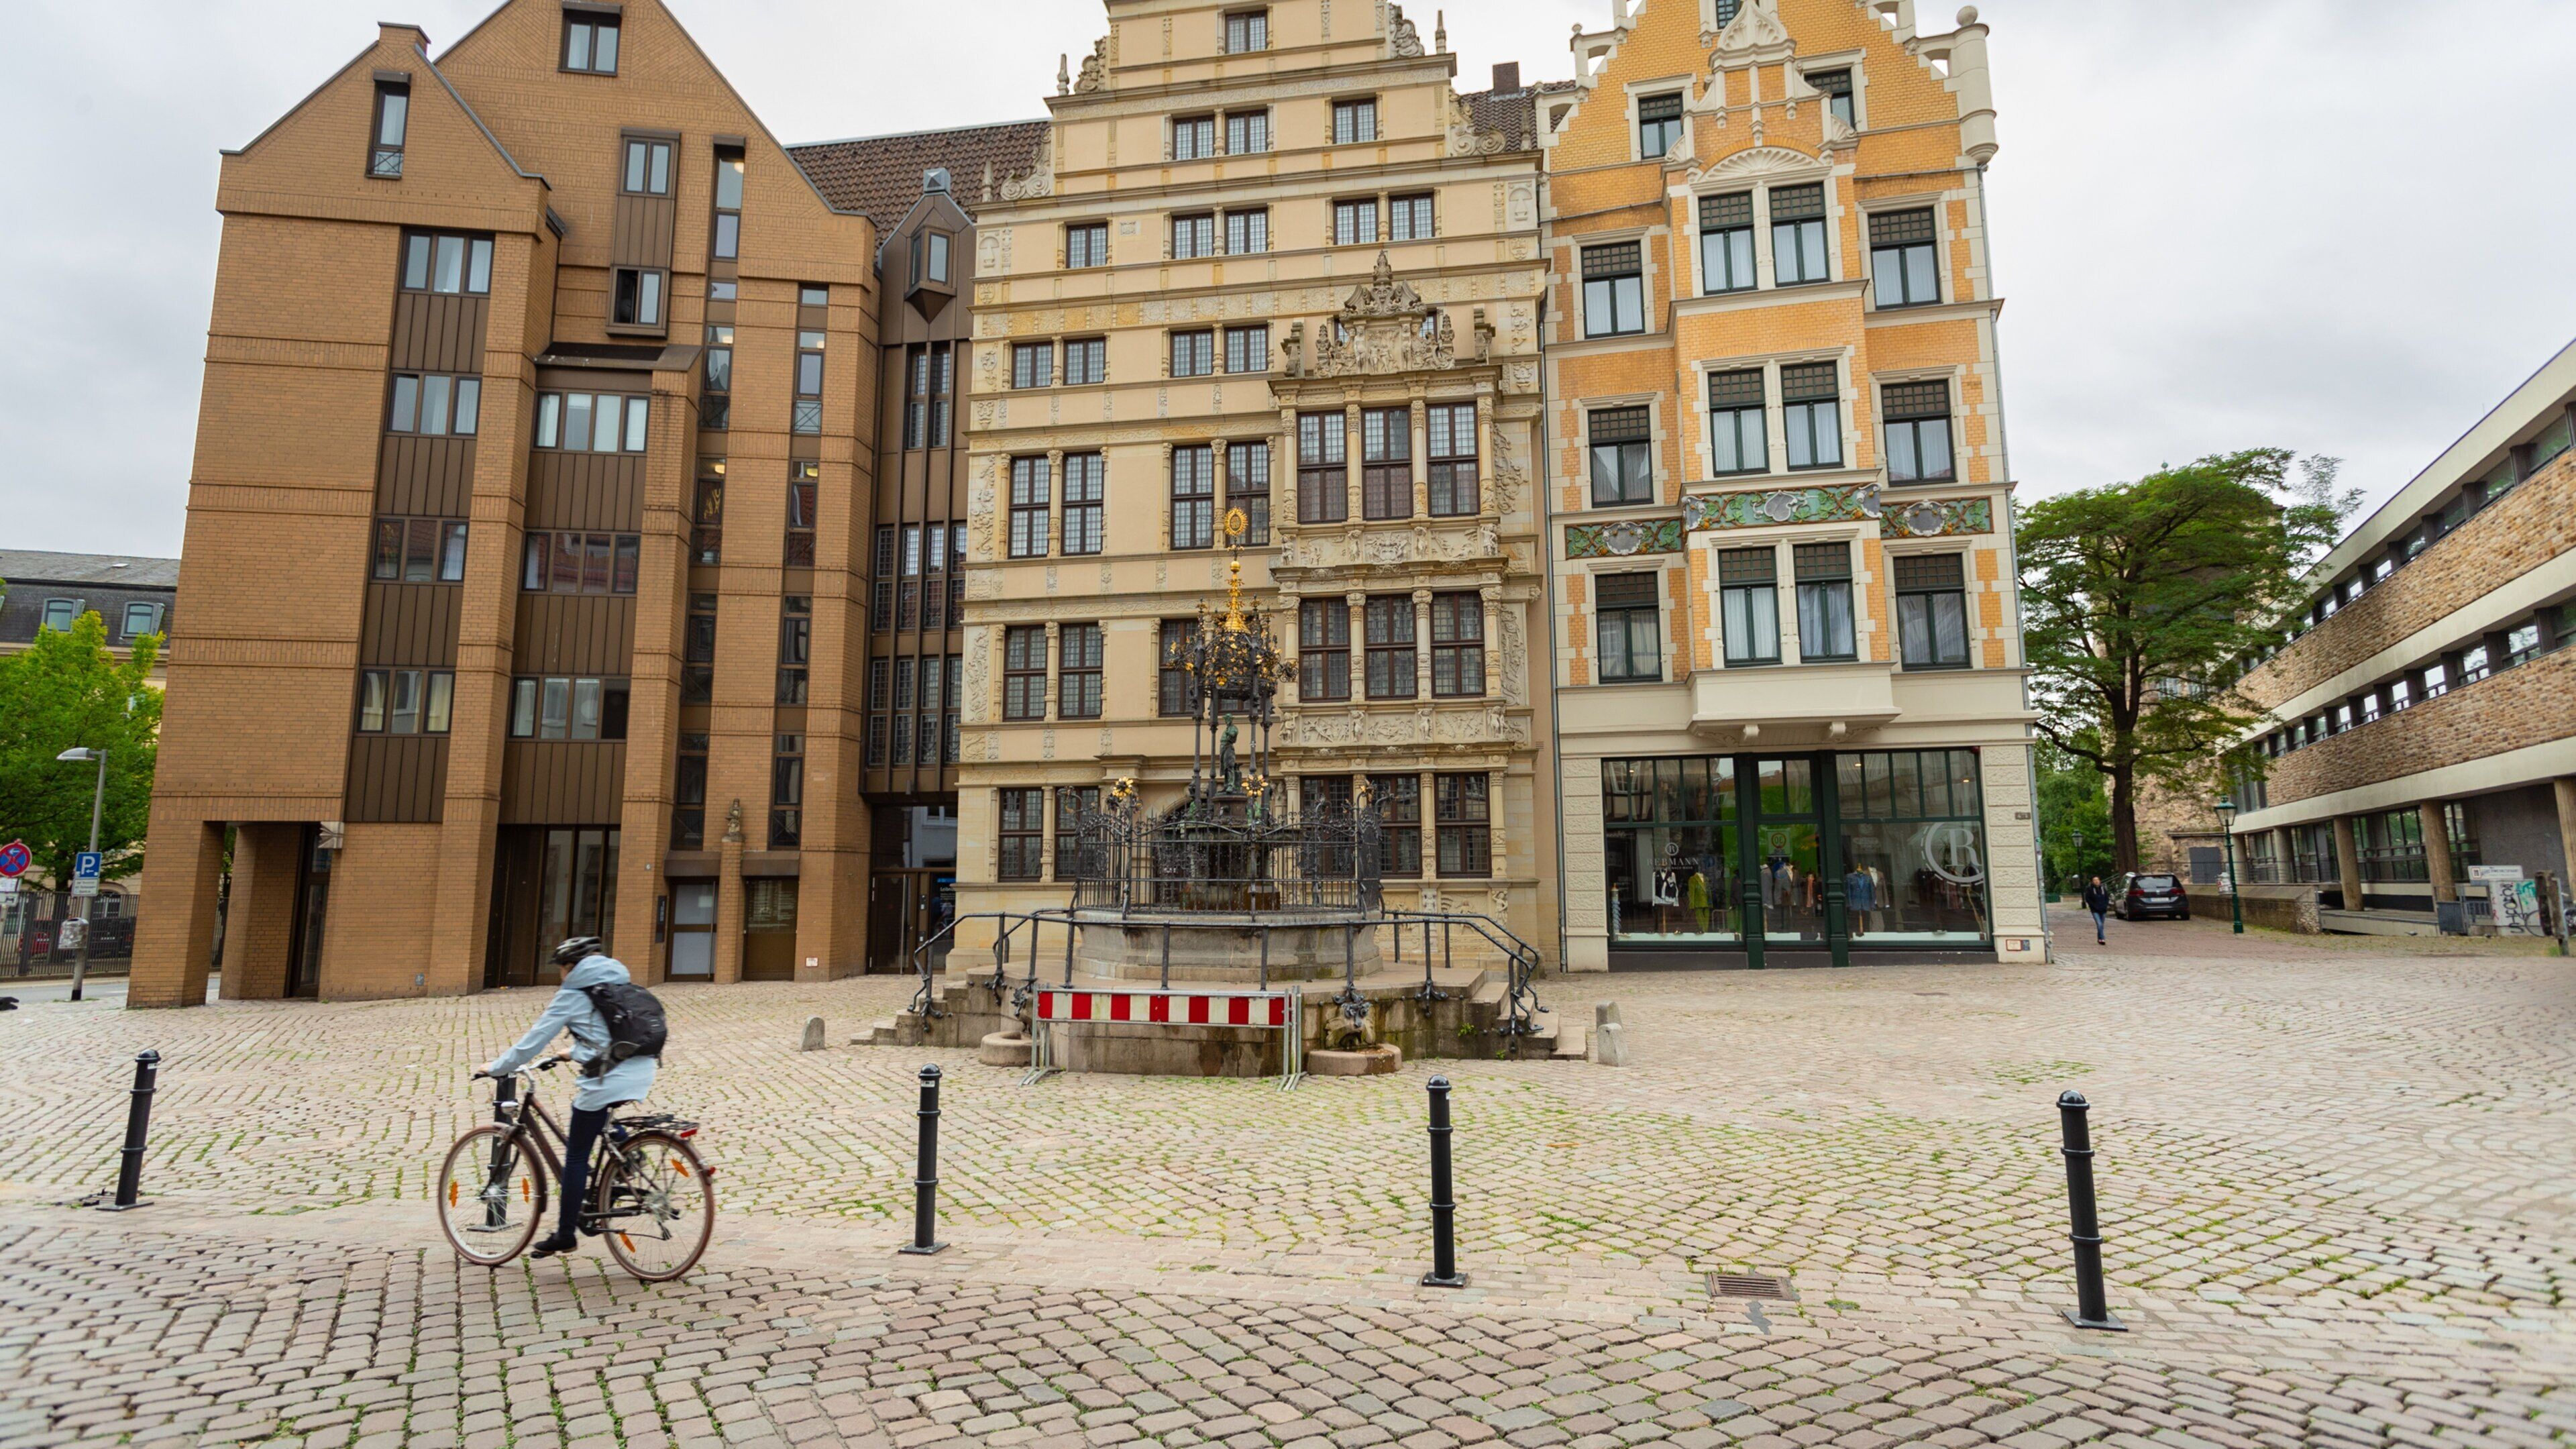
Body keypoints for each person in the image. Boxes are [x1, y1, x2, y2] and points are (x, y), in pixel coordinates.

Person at [480, 936, 659, 1258]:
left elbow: (532, 1042)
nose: (560, 975)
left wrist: (496, 1067)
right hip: (642, 1067)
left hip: (610, 1077)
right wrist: (573, 1052)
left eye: (561, 968)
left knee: (577, 1155)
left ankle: (565, 1234)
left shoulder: (572, 994)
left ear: (570, 967)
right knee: (598, 1116)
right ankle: (626, 1155)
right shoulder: (617, 983)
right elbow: (609, 1032)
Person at [2082, 876, 2112, 945]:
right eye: (2095, 880)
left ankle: (2099, 939)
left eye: (2098, 880)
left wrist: (2106, 905)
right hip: (2095, 910)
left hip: (2103, 909)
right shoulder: (2090, 889)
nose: (2096, 881)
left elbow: (2107, 898)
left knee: (2101, 925)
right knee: (2099, 924)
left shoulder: (2103, 889)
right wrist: (2093, 906)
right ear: (2092, 882)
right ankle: (2103, 939)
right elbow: (2088, 899)